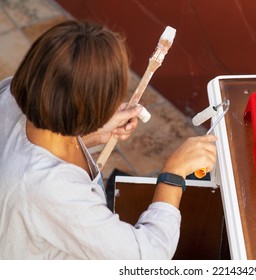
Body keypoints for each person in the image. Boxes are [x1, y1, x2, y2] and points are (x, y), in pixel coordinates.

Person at [0, 20, 217, 259]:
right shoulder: (53, 190)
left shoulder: (13, 95)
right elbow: (146, 259)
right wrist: (173, 175)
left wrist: (91, 133)